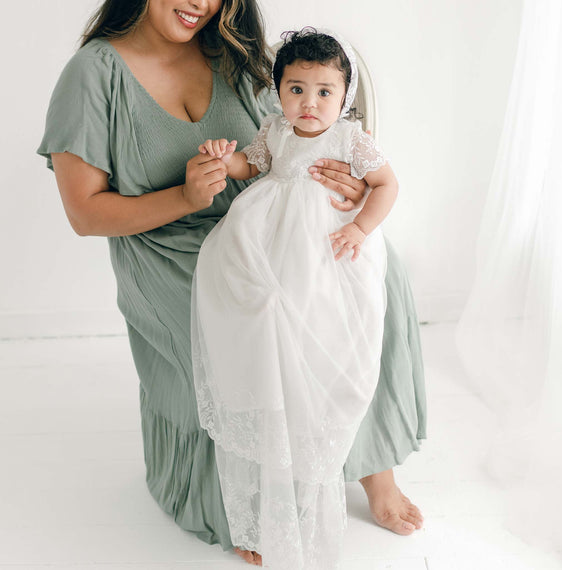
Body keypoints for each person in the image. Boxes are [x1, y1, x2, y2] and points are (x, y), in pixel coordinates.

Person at [36, 0, 426, 566]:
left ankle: (371, 465)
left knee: (371, 277)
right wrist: (186, 197)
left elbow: (309, 132)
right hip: (167, 247)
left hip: (265, 228)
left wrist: (349, 190)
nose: (201, 2)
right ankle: (253, 494)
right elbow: (85, 214)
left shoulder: (237, 56)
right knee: (256, 319)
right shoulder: (94, 75)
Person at [191, 28, 398, 570]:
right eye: (297, 89)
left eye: (324, 91)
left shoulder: (351, 139)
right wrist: (225, 159)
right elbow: (253, 165)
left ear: (344, 96)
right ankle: (268, 501)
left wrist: (361, 229)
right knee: (254, 297)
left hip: (325, 242)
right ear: (279, 92)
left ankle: (317, 472)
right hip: (268, 235)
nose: (309, 103)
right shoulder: (275, 130)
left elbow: (387, 185)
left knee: (318, 323)